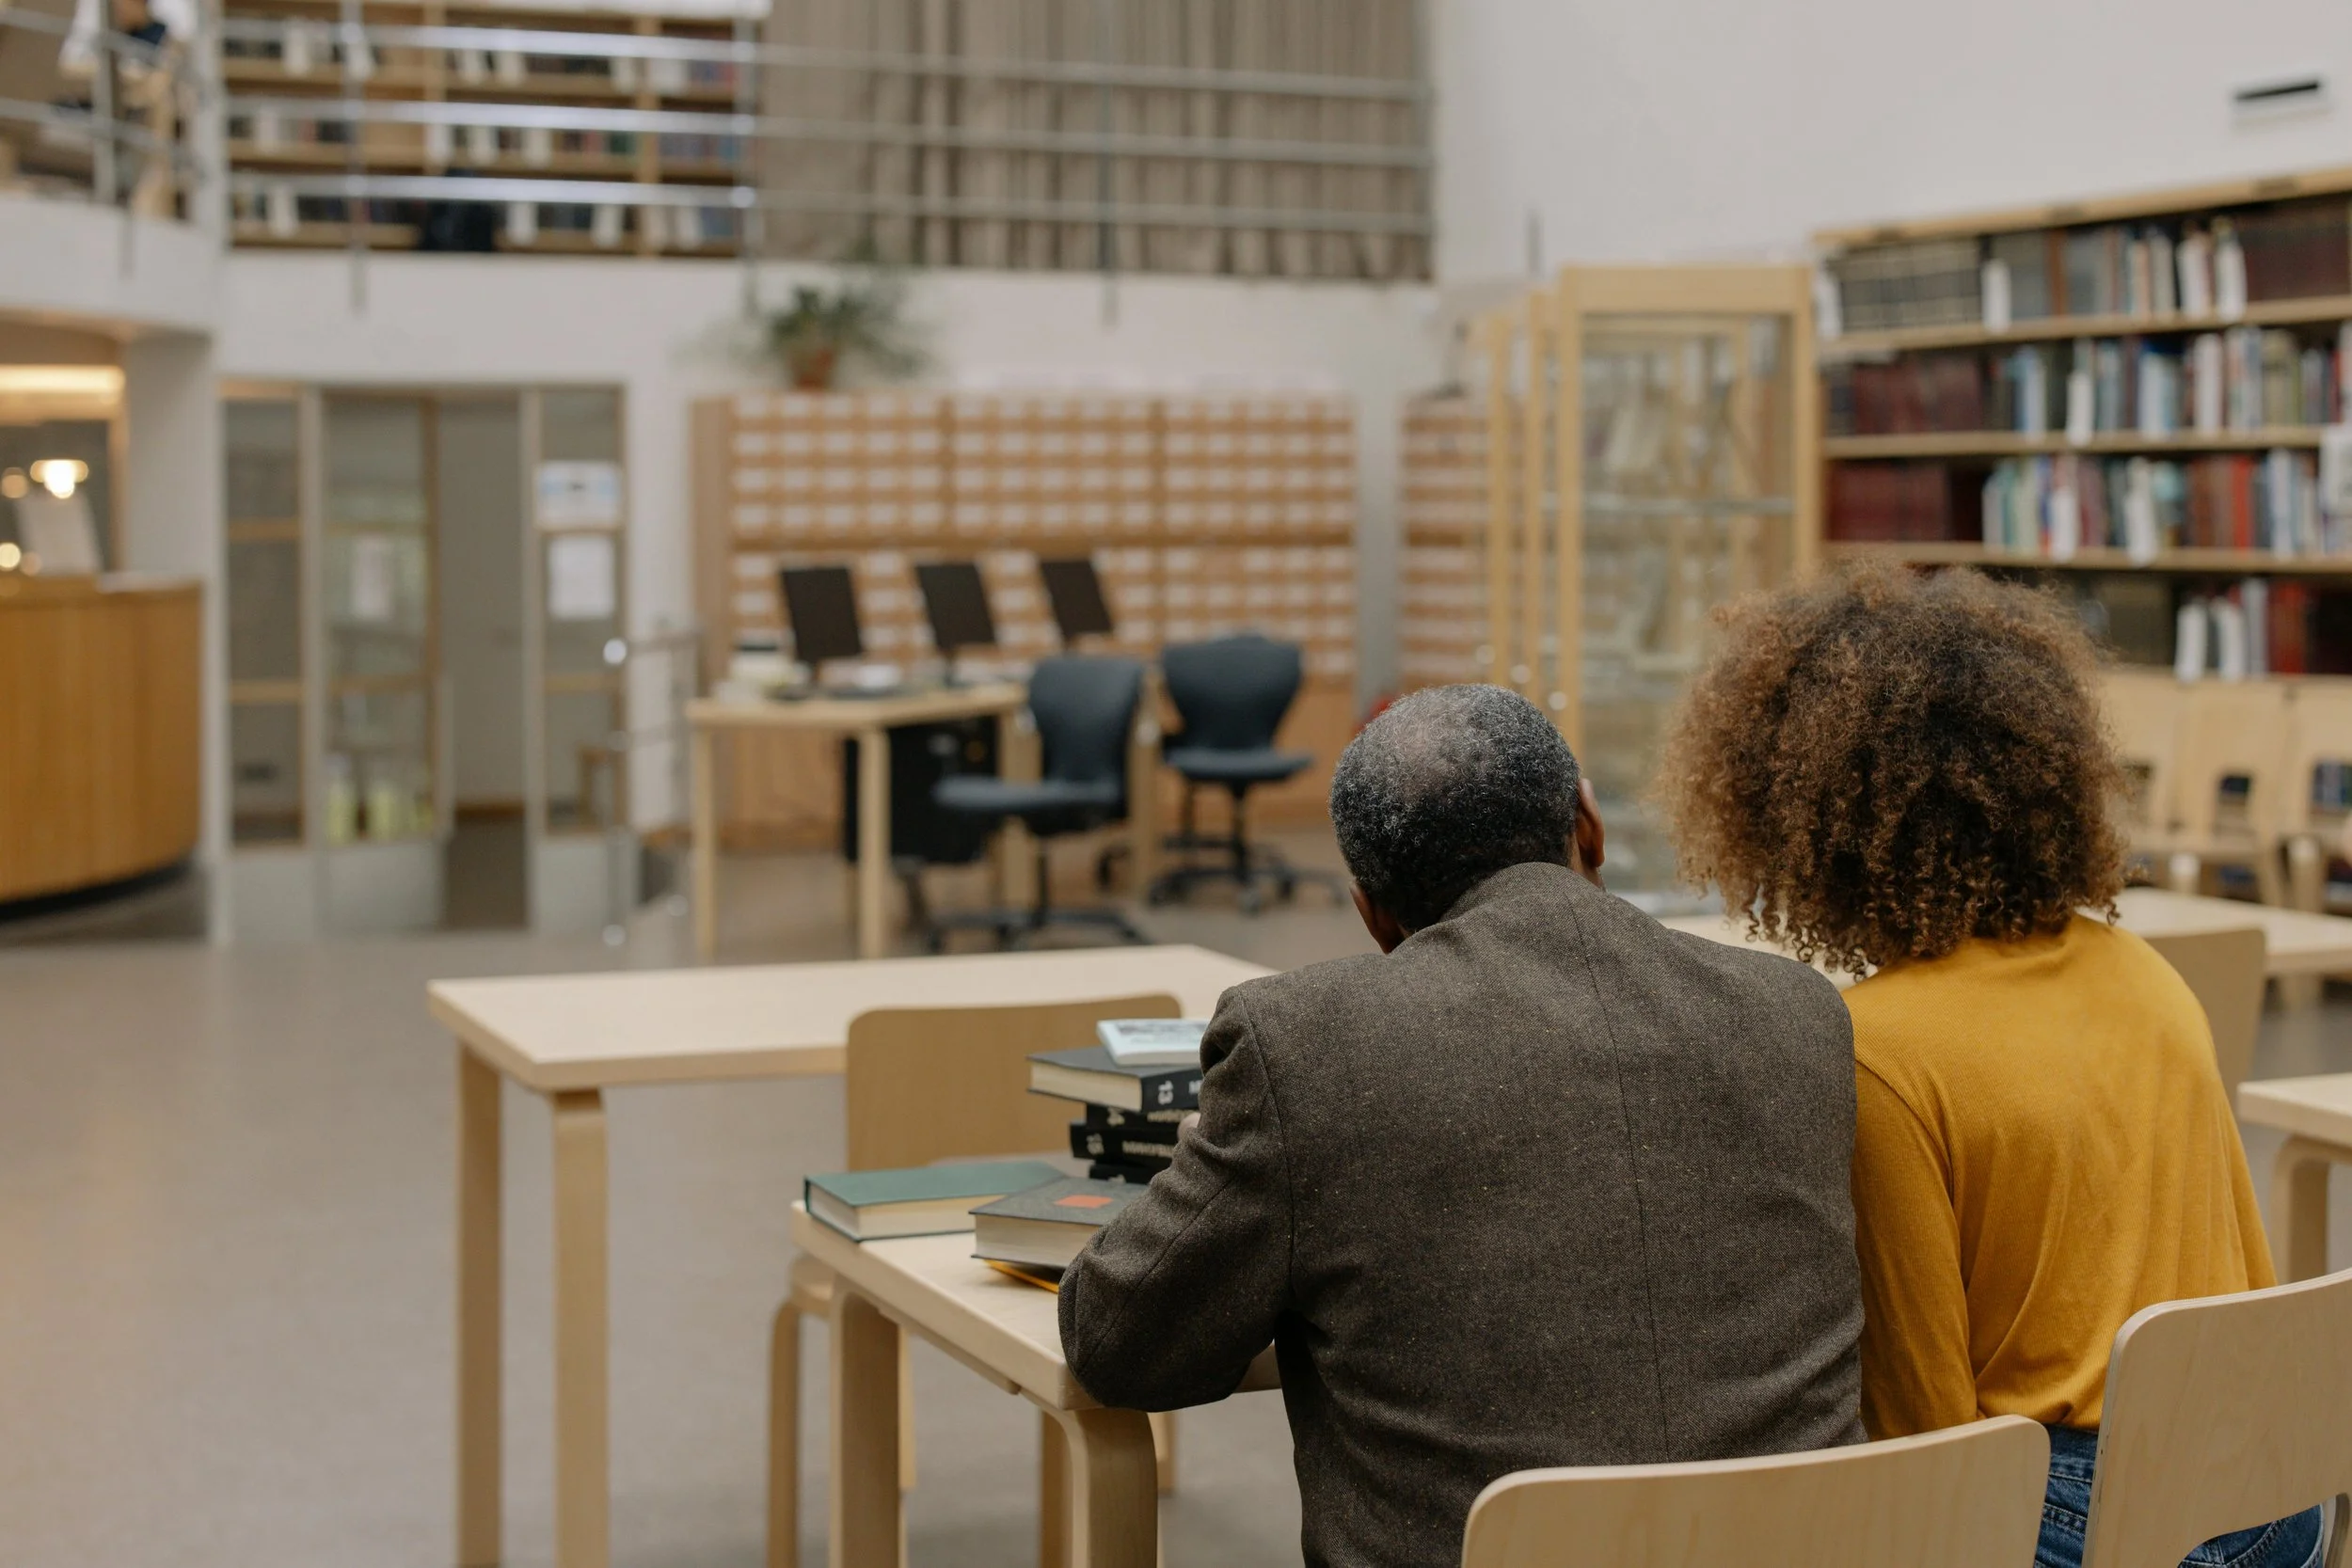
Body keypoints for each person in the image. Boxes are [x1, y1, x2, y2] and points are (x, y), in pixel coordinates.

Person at [1057, 683, 1865, 1568]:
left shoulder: (1306, 1044)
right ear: (1588, 824)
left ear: (1372, 912)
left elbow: (1120, 1345)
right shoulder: (1798, 1012)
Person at [1658, 563, 2321, 1568]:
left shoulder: (1876, 1051)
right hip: (2276, 1489)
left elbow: (1930, 1427)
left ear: (1797, 826)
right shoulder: (2142, 971)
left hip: (2104, 1518)